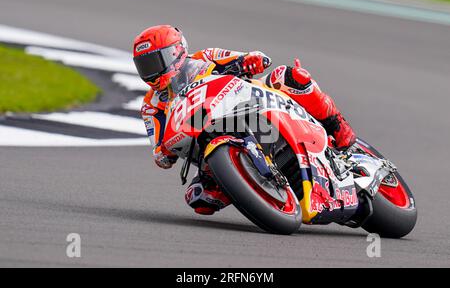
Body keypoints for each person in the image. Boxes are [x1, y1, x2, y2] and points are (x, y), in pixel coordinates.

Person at [133, 25, 356, 215]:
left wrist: (251, 62)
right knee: (199, 200)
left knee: (288, 77)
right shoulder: (151, 106)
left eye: (154, 61)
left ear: (175, 52)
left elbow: (250, 58)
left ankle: (338, 126)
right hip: (207, 139)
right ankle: (251, 185)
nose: (150, 71)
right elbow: (159, 152)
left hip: (250, 105)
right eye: (144, 66)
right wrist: (164, 154)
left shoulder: (206, 57)